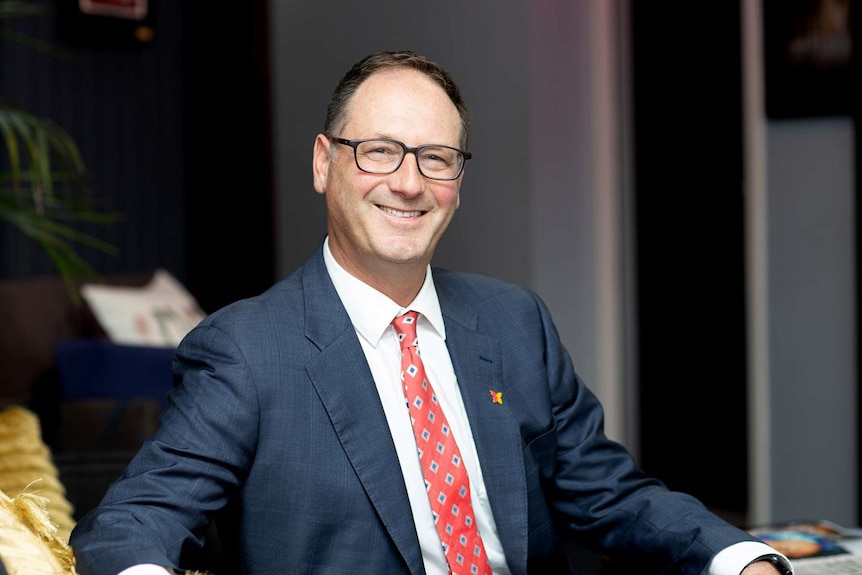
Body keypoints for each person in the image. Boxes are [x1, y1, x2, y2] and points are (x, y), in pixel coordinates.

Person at [69, 50, 793, 575]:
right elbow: (137, 520)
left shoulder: (515, 321)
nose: (410, 183)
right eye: (380, 151)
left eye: (436, 158)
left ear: (458, 179)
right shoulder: (246, 349)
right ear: (324, 163)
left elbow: (611, 495)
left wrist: (740, 556)